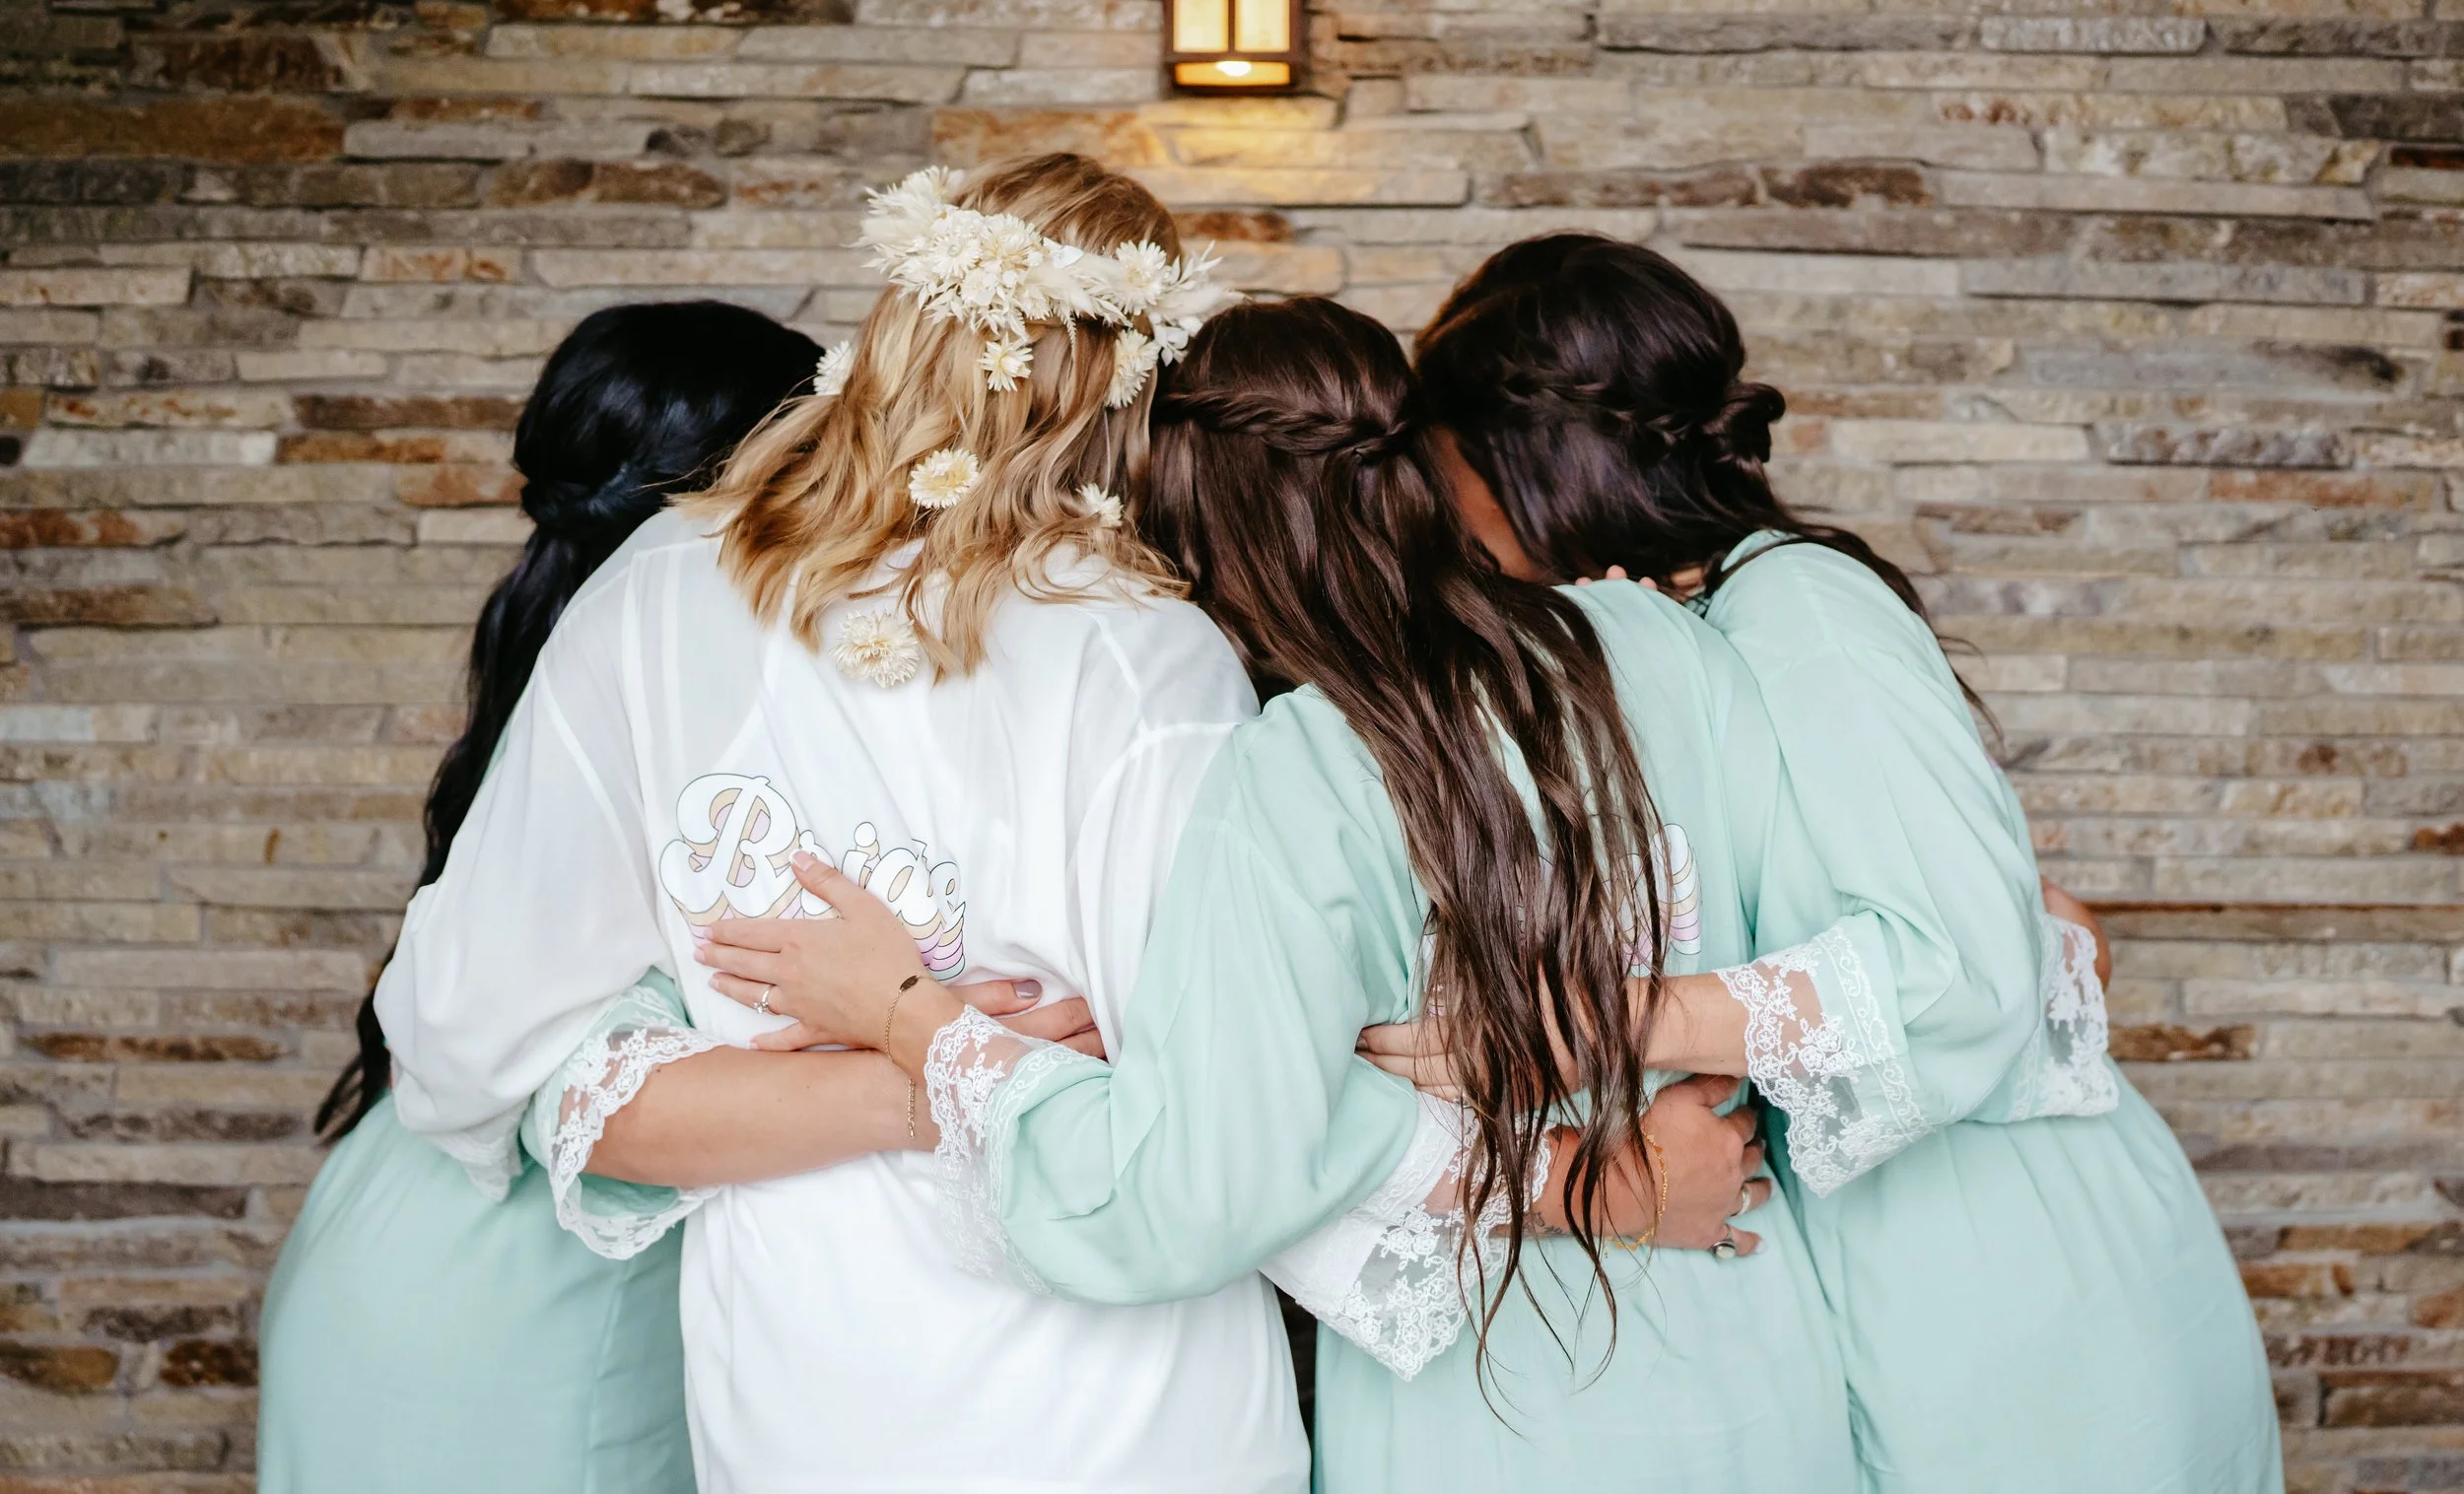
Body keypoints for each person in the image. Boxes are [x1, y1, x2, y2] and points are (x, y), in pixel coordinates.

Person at [691, 297, 1941, 1494]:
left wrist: (913, 1012)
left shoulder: (1296, 775)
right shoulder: (1663, 642)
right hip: (1757, 1348)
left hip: (1495, 1402)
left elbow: (1185, 1192)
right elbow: (1846, 952)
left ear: (1187, 540)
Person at [373, 155, 1329, 1494]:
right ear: (1134, 385)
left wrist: (879, 1051)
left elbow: (474, 1038)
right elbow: (1215, 1139)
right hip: (1123, 1416)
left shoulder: (656, 598)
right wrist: (928, 1060)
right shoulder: (1150, 660)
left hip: (807, 1404)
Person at [1379, 234, 2280, 1494]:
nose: (1437, 499)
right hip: (1883, 1270)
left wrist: (1603, 1022)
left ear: (1530, 458)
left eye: (1446, 459)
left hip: (2005, 1265)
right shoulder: (1670, 635)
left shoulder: (1794, 605)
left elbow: (1959, 966)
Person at [260, 300, 1098, 1493]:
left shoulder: (578, 673)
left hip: (379, 1243)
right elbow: (549, 1075)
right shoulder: (674, 697)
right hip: (528, 1311)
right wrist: (955, 1069)